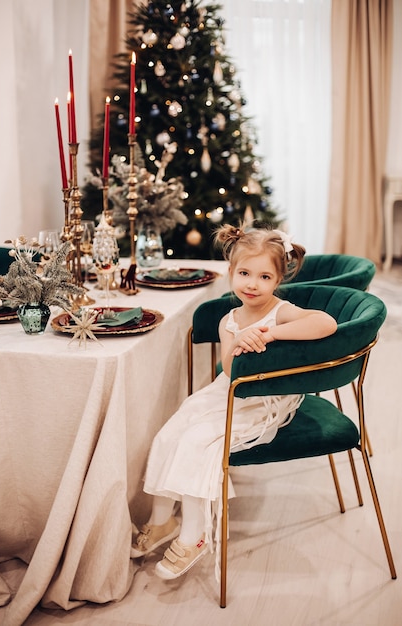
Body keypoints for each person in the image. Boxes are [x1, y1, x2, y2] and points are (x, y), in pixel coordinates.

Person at [130, 224, 337, 581]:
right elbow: (228, 367)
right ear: (231, 273)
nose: (252, 284)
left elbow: (326, 323)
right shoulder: (230, 319)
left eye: (264, 276)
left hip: (265, 399)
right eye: (244, 273)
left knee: (200, 444)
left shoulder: (280, 311)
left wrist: (270, 332)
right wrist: (240, 336)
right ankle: (160, 522)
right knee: (169, 435)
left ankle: (195, 535)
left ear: (277, 280)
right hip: (228, 391)